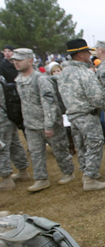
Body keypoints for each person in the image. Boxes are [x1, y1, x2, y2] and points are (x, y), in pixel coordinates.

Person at [11, 48, 75, 192]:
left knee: (59, 149)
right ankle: (40, 179)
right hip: (31, 123)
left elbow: (49, 103)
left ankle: (68, 172)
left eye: (19, 60)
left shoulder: (41, 80)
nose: (16, 63)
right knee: (35, 152)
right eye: (14, 60)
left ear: (30, 60)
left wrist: (49, 125)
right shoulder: (19, 80)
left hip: (48, 122)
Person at [58, 39, 105, 191]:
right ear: (80, 54)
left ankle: (86, 171)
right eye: (87, 52)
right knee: (94, 143)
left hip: (72, 116)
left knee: (81, 146)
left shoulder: (64, 72)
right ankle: (90, 178)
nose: (89, 55)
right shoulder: (84, 73)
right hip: (86, 115)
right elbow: (97, 97)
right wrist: (104, 105)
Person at [0, 76, 30, 191]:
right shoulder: (2, 79)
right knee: (14, 144)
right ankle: (23, 172)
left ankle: (7, 179)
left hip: (1, 121)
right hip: (8, 118)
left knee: (2, 149)